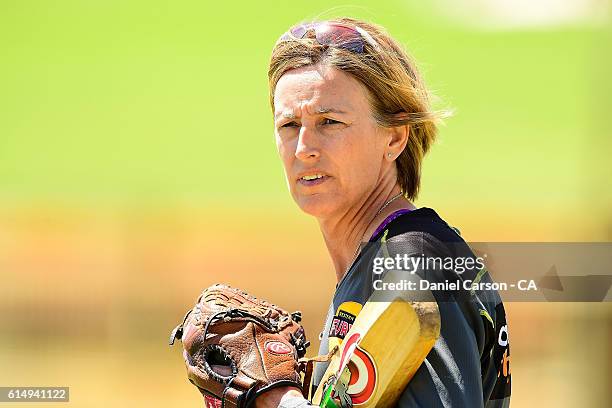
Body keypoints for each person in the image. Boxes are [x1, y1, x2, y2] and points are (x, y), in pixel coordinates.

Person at [256, 17, 511, 407]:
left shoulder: (416, 266)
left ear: (394, 136)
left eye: (329, 122)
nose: (303, 147)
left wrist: (276, 400)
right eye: (289, 124)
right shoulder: (377, 260)